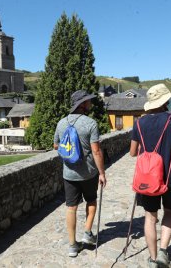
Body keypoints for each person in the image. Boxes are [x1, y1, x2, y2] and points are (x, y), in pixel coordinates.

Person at [129, 84, 171, 268]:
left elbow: (133, 153)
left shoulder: (139, 123)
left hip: (147, 180)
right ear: (166, 101)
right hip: (170, 179)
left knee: (150, 217)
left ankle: (152, 258)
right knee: (169, 212)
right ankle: (164, 252)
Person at [53, 90, 107, 257]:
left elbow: (56, 146)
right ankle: (87, 233)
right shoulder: (91, 124)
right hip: (88, 173)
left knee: (71, 207)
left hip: (68, 173)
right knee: (91, 201)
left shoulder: (61, 123)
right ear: (82, 104)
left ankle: (72, 245)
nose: (90, 103)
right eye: (88, 101)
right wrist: (102, 173)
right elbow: (96, 151)